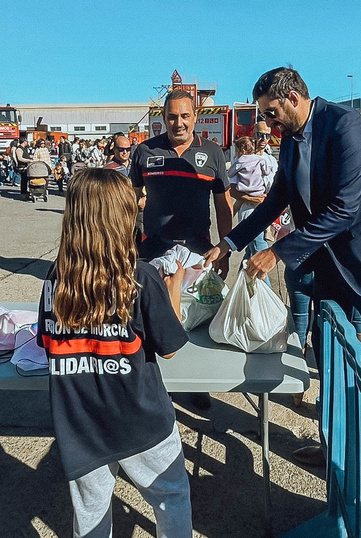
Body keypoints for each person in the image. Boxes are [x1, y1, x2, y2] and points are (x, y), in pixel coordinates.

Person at [204, 67, 361, 464]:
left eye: (272, 113)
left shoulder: (345, 126)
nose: (268, 123)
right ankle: (337, 452)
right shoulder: (290, 141)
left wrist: (278, 251)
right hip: (330, 269)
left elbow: (344, 209)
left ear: (293, 98)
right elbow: (277, 202)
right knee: (329, 362)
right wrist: (229, 243)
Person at [37, 168, 192, 538]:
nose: (141, 205)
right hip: (141, 419)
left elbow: (48, 342)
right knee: (171, 495)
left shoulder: (56, 279)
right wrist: (175, 286)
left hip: (81, 425)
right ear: (119, 218)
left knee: (90, 515)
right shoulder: (139, 276)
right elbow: (169, 349)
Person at [130, 89, 233, 412]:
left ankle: (196, 384)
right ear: (163, 117)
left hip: (199, 253)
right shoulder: (145, 151)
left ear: (195, 117)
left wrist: (225, 248)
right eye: (172, 116)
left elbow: (224, 205)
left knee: (197, 321)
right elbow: (129, 200)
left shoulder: (213, 153)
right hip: (152, 252)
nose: (179, 123)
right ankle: (155, 386)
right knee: (151, 324)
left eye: (185, 116)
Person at [228, 136, 272, 285]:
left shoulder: (239, 161)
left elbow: (230, 175)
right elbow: (233, 191)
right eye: (259, 136)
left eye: (267, 136)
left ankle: (246, 285)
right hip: (254, 205)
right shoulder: (261, 160)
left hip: (257, 206)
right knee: (257, 248)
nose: (263, 139)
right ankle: (264, 290)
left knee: (254, 249)